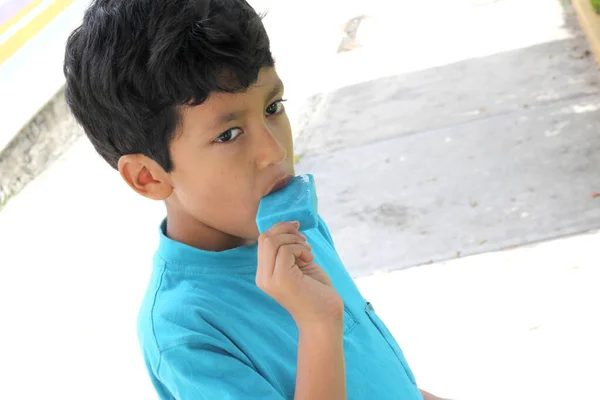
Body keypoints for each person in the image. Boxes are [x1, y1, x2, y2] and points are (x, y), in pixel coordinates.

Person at [63, 0, 446, 399]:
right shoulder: (185, 333)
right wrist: (318, 324)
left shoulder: (298, 233)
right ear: (148, 177)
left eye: (272, 107)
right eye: (228, 135)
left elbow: (378, 376)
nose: (274, 151)